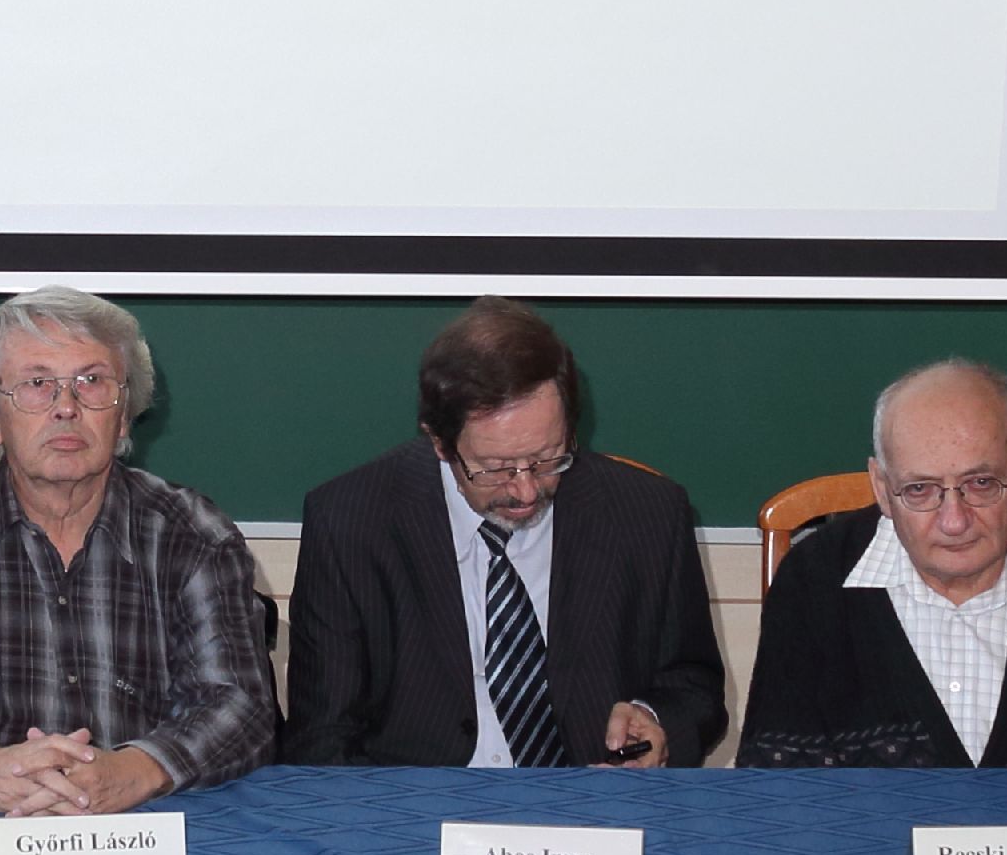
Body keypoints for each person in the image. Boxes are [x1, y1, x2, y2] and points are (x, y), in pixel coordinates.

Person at [0, 286, 275, 813]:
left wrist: (136, 771)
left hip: (146, 813)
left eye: (92, 382)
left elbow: (239, 703)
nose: (66, 408)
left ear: (123, 416)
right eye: (36, 384)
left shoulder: (193, 533)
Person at [280, 298, 723, 767]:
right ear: (439, 442)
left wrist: (654, 721)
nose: (526, 489)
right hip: (417, 797)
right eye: (495, 468)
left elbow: (694, 689)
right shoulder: (350, 522)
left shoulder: (648, 514)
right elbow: (323, 736)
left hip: (590, 793)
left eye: (548, 457)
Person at [736, 359, 1007, 769]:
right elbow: (781, 785)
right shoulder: (812, 585)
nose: (954, 521)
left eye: (981, 483)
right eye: (919, 489)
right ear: (881, 487)